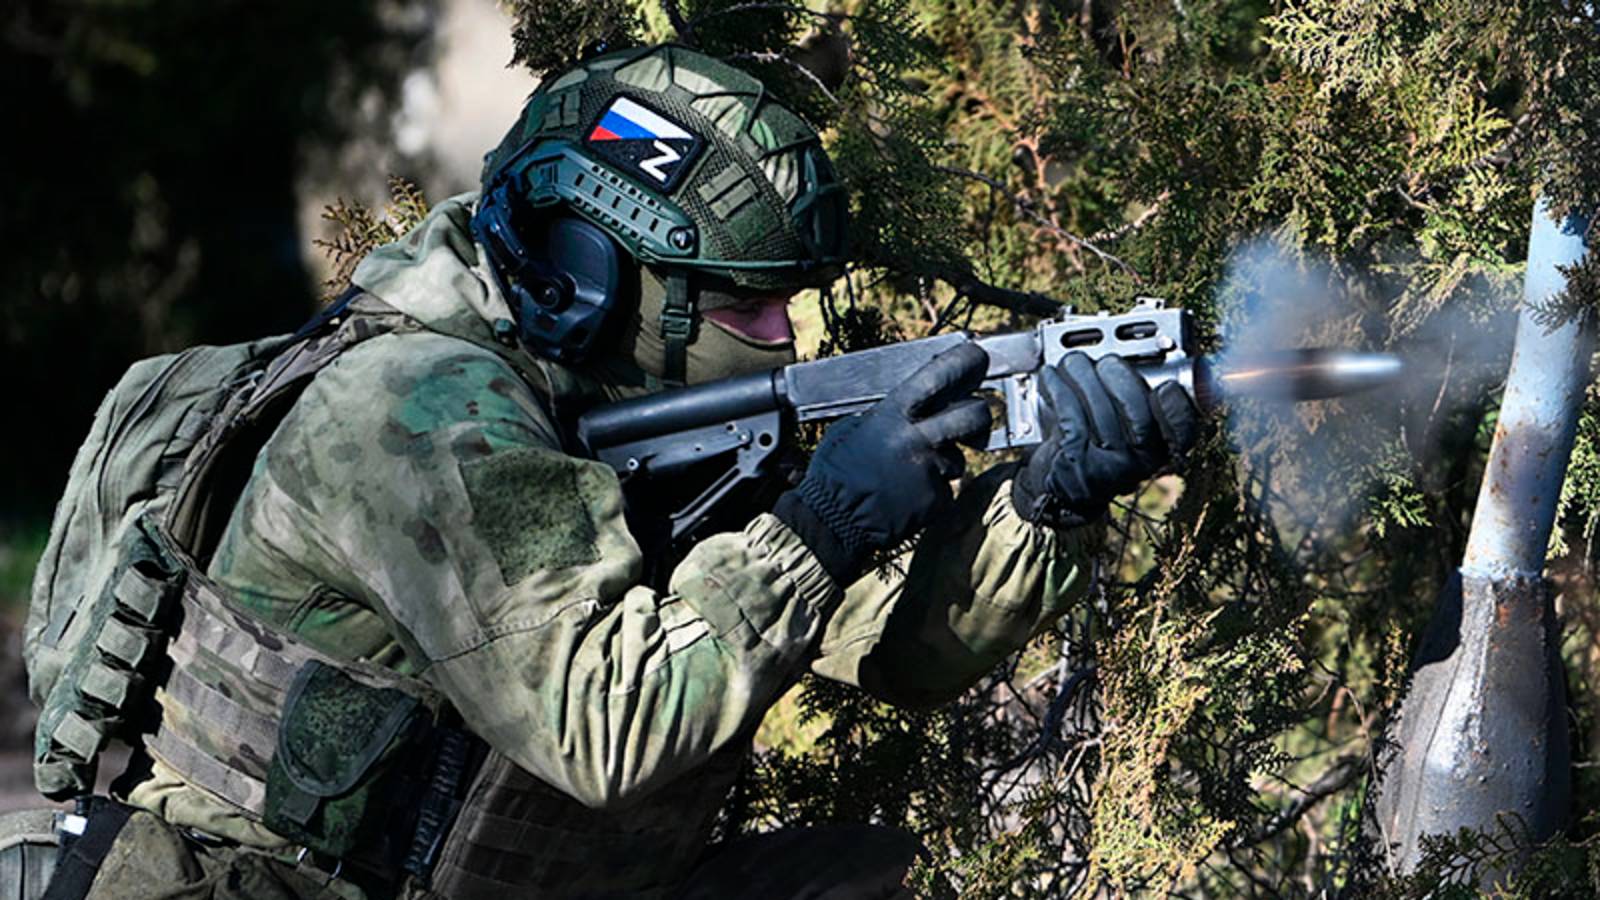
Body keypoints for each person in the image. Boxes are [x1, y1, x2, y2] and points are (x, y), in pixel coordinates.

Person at [72, 43, 1197, 900]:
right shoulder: (418, 411)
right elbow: (602, 730)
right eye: (747, 305)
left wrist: (1042, 503)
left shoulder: (612, 404)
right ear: (589, 276)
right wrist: (819, 527)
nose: (785, 337)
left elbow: (891, 651)